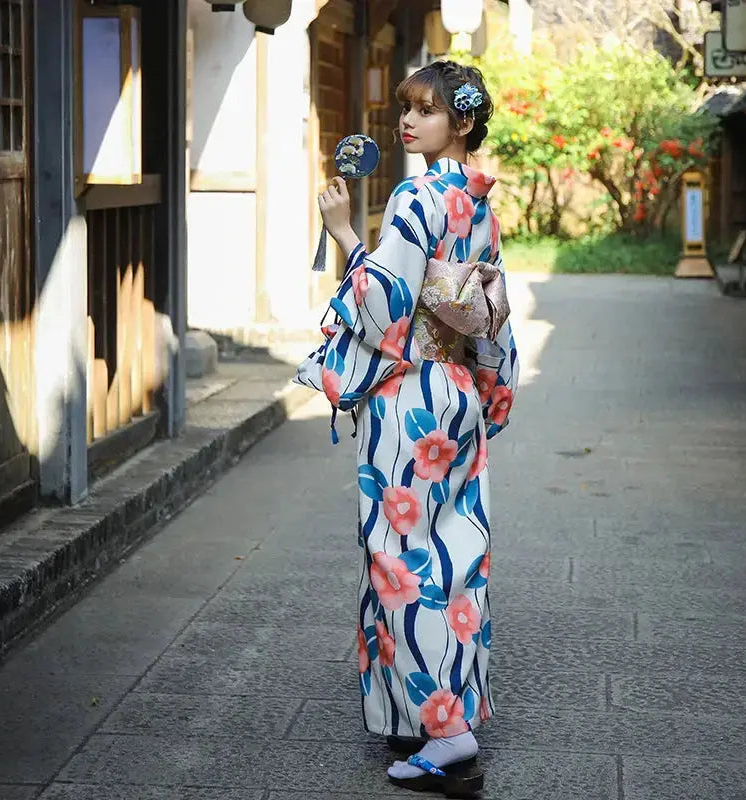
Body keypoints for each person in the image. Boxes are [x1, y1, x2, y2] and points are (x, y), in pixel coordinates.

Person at [301, 60, 518, 796]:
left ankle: (447, 734)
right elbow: (485, 311)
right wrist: (492, 392)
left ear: (460, 123)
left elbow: (387, 308)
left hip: (411, 397)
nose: (407, 121)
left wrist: (340, 233)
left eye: (425, 111)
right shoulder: (476, 198)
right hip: (456, 389)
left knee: (401, 559)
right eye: (405, 108)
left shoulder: (415, 194)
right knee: (455, 556)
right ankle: (430, 710)